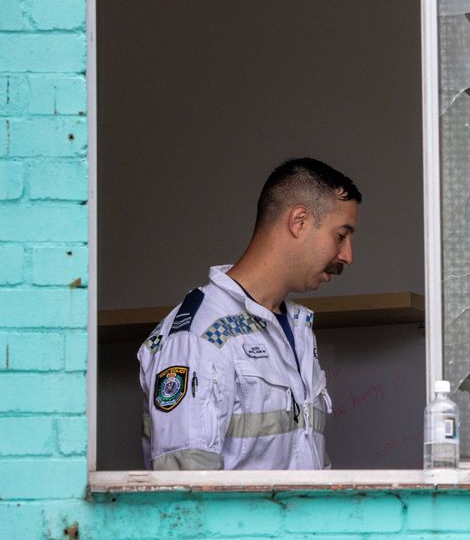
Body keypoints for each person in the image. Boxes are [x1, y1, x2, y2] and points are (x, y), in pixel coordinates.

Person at [138, 158, 361, 470]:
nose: (347, 255)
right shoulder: (200, 335)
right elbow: (187, 498)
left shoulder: (295, 331)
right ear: (299, 222)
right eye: (341, 235)